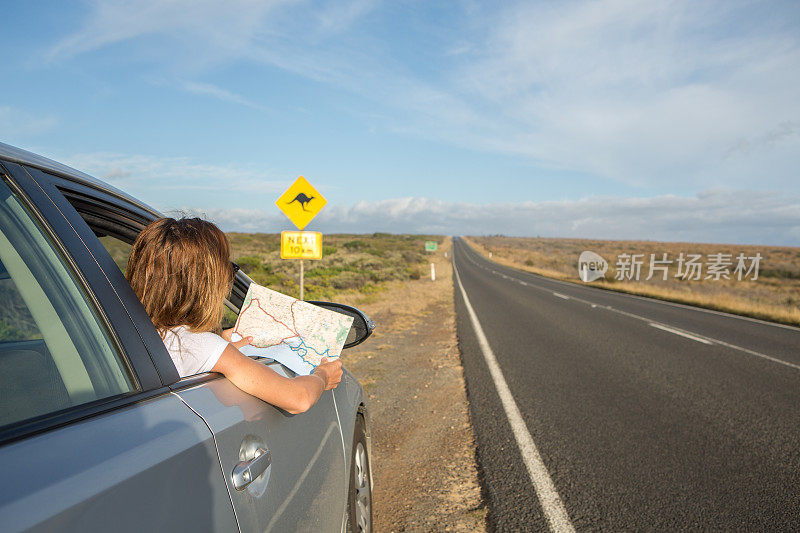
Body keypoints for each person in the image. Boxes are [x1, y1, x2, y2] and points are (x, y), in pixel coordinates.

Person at [125, 217, 342, 414]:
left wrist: (221, 343)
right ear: (206, 283)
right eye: (227, 270)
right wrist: (322, 376)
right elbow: (298, 399)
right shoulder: (197, 345)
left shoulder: (120, 331)